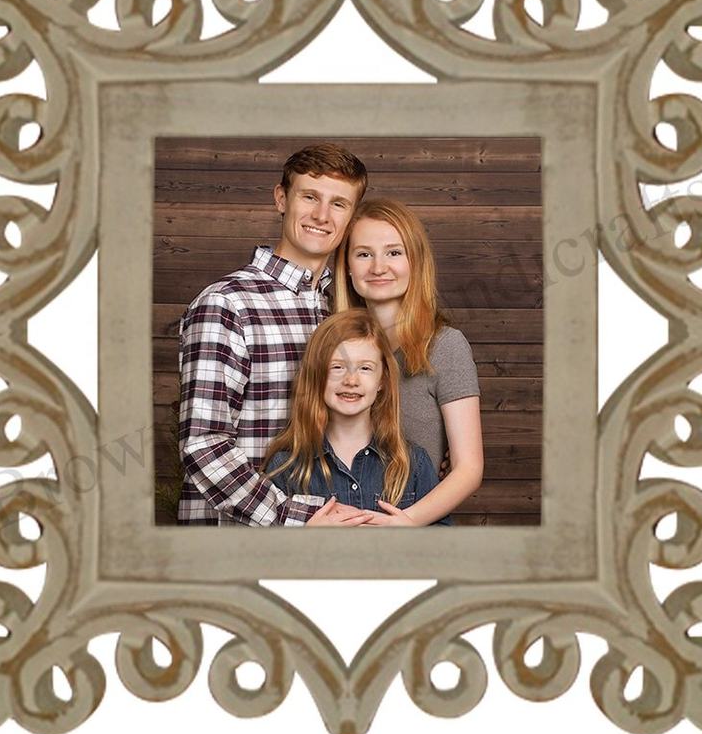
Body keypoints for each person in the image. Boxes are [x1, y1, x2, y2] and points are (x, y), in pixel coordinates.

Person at [177, 142, 373, 526]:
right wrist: (291, 517)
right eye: (310, 197)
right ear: (281, 198)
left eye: (338, 204)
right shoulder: (227, 303)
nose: (321, 215)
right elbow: (203, 444)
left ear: (351, 217)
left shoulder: (341, 311)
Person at [333, 198, 484, 526]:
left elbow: (469, 468)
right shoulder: (332, 348)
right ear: (346, 266)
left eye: (394, 252)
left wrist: (407, 522)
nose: (378, 267)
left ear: (415, 261)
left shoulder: (445, 346)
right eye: (363, 254)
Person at [261, 309, 448, 524]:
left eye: (365, 368)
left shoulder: (413, 463)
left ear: (382, 380)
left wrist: (412, 530)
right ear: (317, 375)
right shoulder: (286, 466)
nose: (351, 380)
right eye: (337, 367)